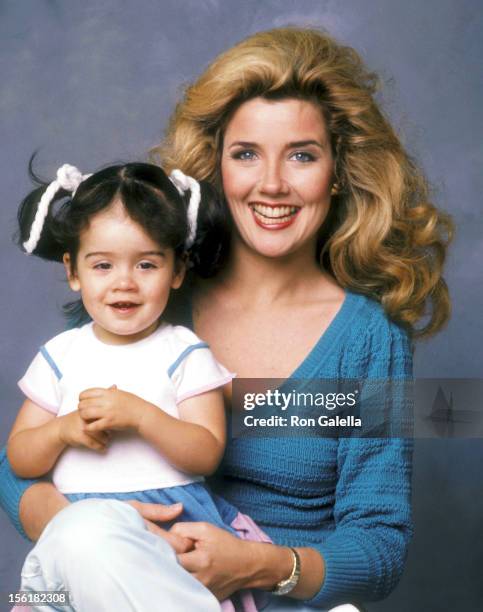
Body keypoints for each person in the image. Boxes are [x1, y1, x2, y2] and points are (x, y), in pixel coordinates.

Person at [0, 27, 453, 611]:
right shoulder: (143, 292)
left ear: (337, 171)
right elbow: (19, 466)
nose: (271, 184)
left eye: (302, 155)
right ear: (215, 166)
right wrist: (94, 531)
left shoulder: (368, 339)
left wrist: (256, 565)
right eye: (246, 154)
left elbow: (379, 545)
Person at [7, 161, 269, 612]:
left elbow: (207, 452)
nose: (124, 282)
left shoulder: (184, 352)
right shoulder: (60, 354)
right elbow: (19, 456)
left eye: (146, 264)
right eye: (103, 265)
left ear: (178, 270)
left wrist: (143, 417)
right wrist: (62, 430)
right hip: (76, 524)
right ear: (73, 271)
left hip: (171, 517)